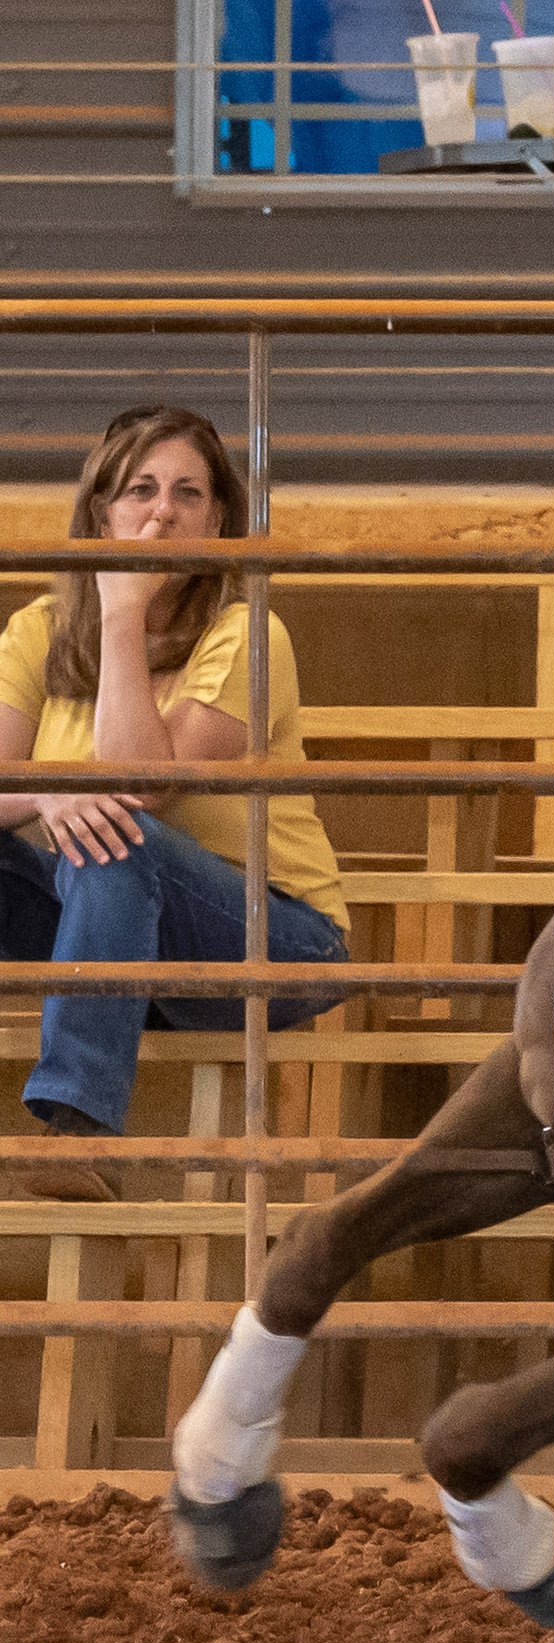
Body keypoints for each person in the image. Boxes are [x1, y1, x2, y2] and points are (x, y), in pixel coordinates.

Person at [0, 408, 350, 1203]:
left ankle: (79, 1130)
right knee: (94, 836)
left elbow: (141, 783)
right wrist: (51, 792)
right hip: (115, 944)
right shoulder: (39, 631)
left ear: (218, 520)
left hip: (275, 943)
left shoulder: (248, 634)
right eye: (141, 490)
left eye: (188, 494)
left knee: (121, 833)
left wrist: (123, 613)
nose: (162, 512)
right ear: (100, 512)